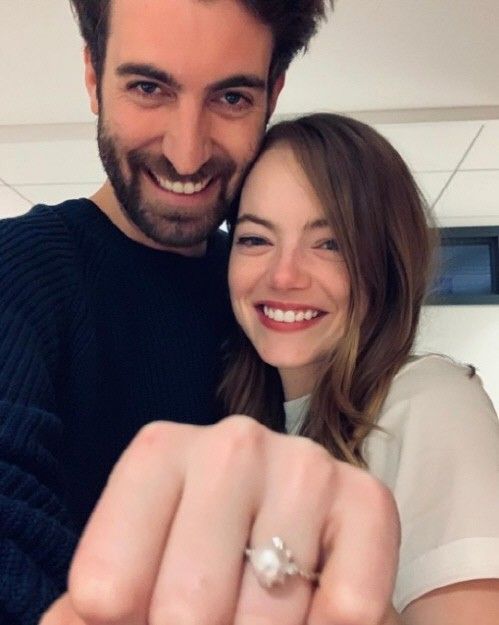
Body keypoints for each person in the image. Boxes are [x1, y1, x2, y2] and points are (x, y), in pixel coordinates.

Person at [0, 2, 404, 625]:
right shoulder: (18, 270)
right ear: (92, 77)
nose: (186, 154)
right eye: (148, 88)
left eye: (232, 98)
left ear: (273, 95)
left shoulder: (267, 299)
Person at [222, 113, 499, 622]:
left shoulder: (430, 402)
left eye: (329, 244)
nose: (283, 275)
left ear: (384, 263)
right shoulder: (253, 428)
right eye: (255, 239)